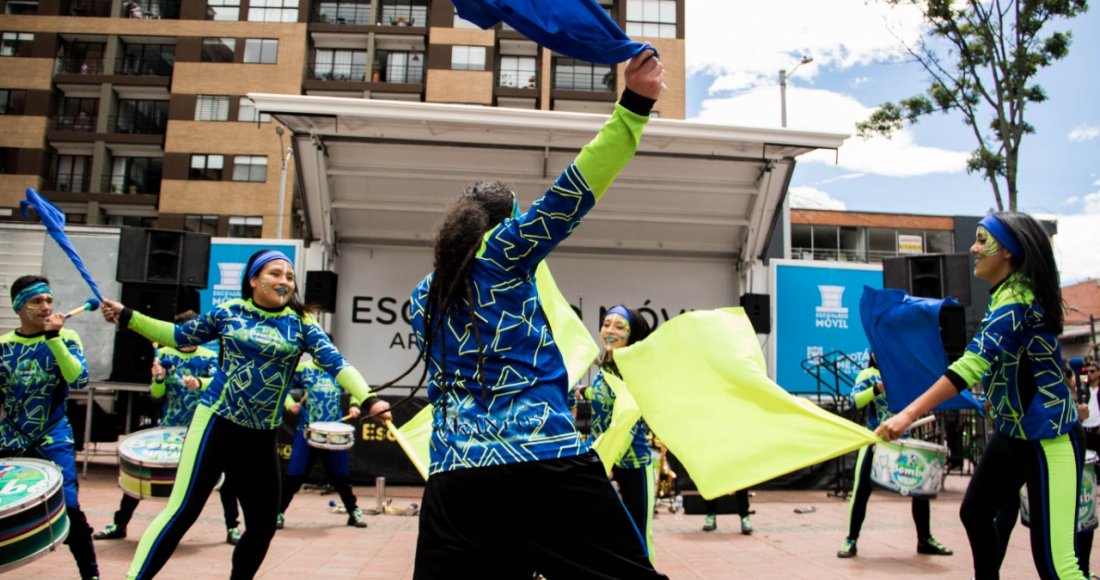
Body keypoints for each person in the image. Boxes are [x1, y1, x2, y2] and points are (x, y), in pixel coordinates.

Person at [408, 51, 666, 578]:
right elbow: (577, 186)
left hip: (456, 475)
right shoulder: (506, 251)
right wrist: (636, 104)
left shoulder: (422, 295)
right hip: (543, 458)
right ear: (505, 222)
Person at [100, 249, 391, 580]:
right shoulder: (229, 313)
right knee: (182, 512)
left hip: (260, 435)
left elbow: (338, 364)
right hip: (215, 423)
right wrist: (128, 316)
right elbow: (178, 336)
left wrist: (368, 399)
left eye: (289, 276)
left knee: (264, 526)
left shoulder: (303, 325)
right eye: (275, 273)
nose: (284, 281)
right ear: (253, 280)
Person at [877, 212, 1085, 580]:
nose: (972, 248)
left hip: (1048, 438)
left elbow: (971, 364)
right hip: (1013, 434)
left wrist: (907, 415)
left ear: (1007, 251)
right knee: (975, 512)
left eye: (981, 240)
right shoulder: (1005, 294)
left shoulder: (1016, 300)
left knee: (1058, 567)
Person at [93, 310, 245, 545]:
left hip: (201, 427)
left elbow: (217, 384)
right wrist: (159, 379)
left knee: (224, 478)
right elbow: (156, 395)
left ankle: (232, 527)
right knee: (143, 475)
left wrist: (199, 383)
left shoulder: (208, 356)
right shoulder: (164, 354)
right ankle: (119, 524)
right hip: (170, 427)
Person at [0, 275, 99, 579]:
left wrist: (53, 339)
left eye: (49, 300)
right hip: (10, 440)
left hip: (54, 438)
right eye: (36, 301)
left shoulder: (66, 338)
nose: (45, 307)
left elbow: (79, 380)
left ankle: (91, 574)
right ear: (19, 307)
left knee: (69, 508)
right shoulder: (3, 346)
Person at [836, 353, 952, 558]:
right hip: (876, 440)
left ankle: (924, 539)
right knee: (861, 489)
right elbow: (854, 402)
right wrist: (876, 389)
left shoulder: (904, 373)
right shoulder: (868, 375)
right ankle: (851, 539)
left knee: (920, 488)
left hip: (904, 441)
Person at [577, 305, 656, 553]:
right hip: (606, 462)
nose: (610, 330)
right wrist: (585, 392)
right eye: (606, 324)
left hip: (633, 464)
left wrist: (607, 463)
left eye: (619, 327)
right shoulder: (606, 369)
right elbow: (604, 396)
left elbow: (628, 423)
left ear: (631, 336)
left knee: (638, 539)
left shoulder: (632, 372)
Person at [277, 355, 368, 529]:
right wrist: (290, 404)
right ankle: (278, 512)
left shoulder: (339, 368)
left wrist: (355, 405)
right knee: (294, 475)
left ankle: (353, 512)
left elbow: (357, 389)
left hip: (334, 431)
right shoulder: (302, 369)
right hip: (307, 431)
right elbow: (283, 386)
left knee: (341, 476)